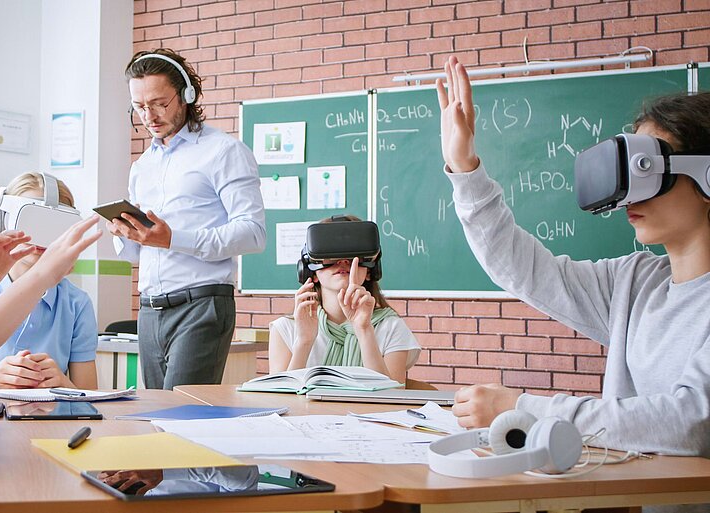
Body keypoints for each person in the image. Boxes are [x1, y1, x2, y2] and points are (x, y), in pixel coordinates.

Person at [437, 55, 710, 460]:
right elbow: (521, 269)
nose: (629, 197)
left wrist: (525, 409)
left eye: (647, 170)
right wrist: (464, 168)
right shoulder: (634, 282)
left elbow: (690, 425)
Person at [108, 48, 265, 390]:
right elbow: (139, 253)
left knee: (180, 411)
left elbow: (253, 233)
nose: (149, 116)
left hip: (202, 304)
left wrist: (173, 239)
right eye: (139, 106)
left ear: (187, 95)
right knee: (154, 412)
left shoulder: (223, 151)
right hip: (149, 310)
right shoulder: (143, 166)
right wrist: (126, 233)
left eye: (159, 103)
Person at [0, 173, 98, 392]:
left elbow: (89, 394)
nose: (42, 237)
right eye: (32, 221)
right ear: (2, 221)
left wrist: (63, 384)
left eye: (54, 226)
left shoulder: (76, 303)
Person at [268, 217, 420, 384]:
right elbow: (278, 395)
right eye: (330, 254)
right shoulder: (286, 328)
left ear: (371, 270)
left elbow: (392, 395)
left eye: (354, 255)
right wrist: (304, 341)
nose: (343, 262)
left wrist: (364, 331)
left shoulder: (390, 326)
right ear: (311, 271)